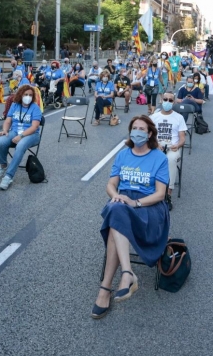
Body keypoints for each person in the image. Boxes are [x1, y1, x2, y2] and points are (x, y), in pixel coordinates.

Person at [92, 115, 170, 319]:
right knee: (116, 209)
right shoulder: (123, 155)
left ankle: (105, 289)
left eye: (141, 128)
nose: (137, 131)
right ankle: (126, 274)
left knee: (116, 218)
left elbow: (160, 194)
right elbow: (110, 185)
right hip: (124, 201)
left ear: (150, 133)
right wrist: (116, 196)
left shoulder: (159, 157)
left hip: (149, 206)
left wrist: (134, 203)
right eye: (134, 128)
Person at [0, 85, 42, 190]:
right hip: (15, 131)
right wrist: (5, 130)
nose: (28, 97)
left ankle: (8, 176)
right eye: (26, 94)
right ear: (21, 95)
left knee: (20, 145)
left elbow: (34, 127)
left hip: (31, 135)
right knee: (0, 141)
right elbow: (8, 121)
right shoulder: (15, 105)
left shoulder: (35, 108)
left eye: (30, 95)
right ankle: (3, 165)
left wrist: (21, 136)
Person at [150, 92, 186, 202]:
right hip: (156, 146)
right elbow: (148, 135)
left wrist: (178, 145)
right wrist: (156, 144)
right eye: (165, 99)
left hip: (172, 147)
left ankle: (168, 193)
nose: (167, 102)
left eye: (170, 100)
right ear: (161, 99)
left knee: (170, 159)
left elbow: (182, 138)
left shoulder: (179, 117)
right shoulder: (153, 117)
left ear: (174, 102)